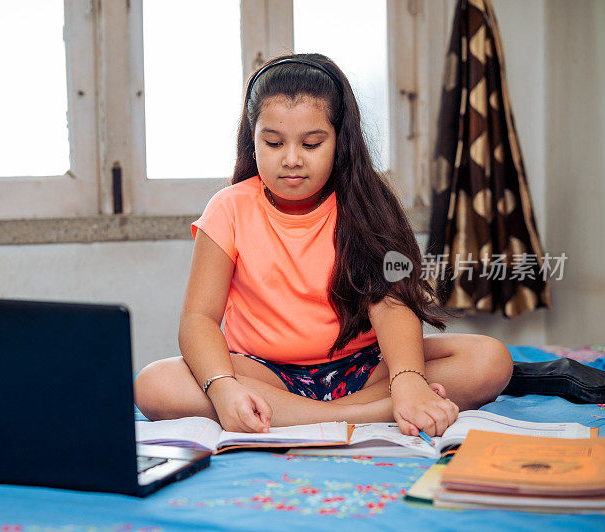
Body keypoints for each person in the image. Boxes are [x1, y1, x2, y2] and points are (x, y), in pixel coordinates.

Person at [134, 53, 513, 438]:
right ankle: (366, 415)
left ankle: (305, 414)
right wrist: (225, 387)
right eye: (274, 142)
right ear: (253, 141)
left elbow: (392, 303)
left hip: (364, 368)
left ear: (339, 140)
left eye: (312, 143)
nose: (292, 159)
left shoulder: (367, 204)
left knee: (489, 359)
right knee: (155, 384)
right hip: (264, 372)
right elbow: (198, 319)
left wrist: (408, 378)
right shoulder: (228, 208)